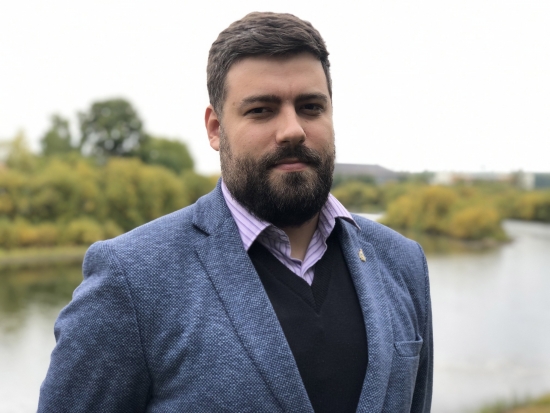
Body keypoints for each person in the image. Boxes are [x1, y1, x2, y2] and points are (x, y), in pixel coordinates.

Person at [38, 12, 432, 413]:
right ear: (215, 128)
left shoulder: (403, 262)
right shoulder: (132, 278)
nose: (293, 130)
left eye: (311, 107)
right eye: (261, 110)